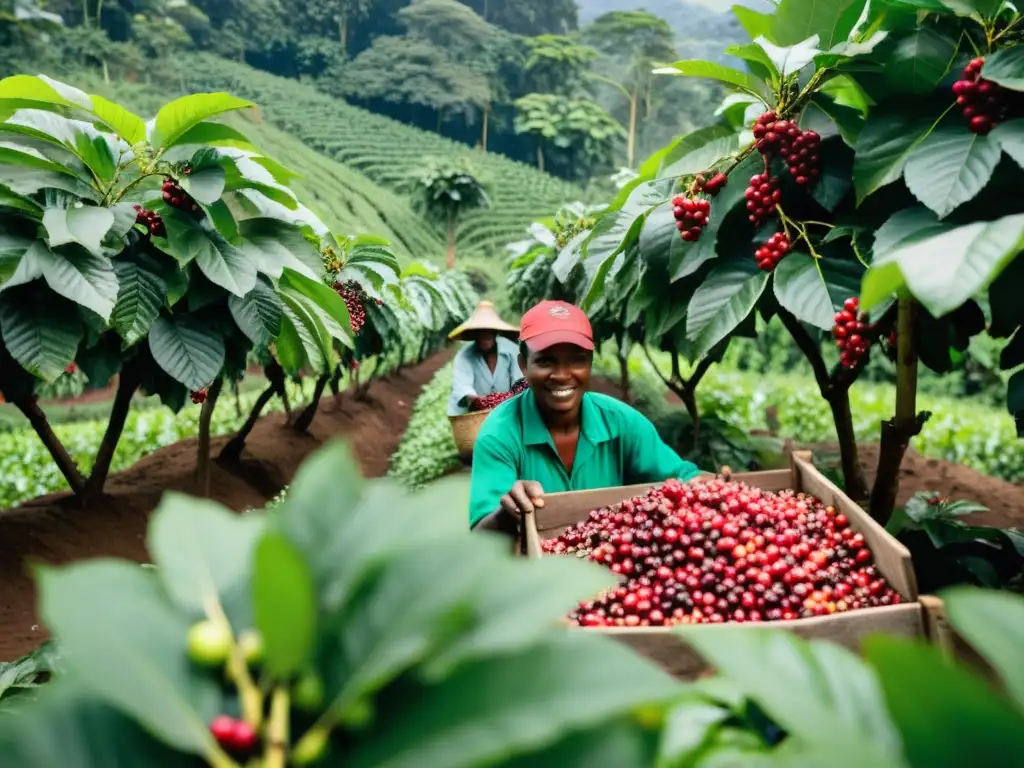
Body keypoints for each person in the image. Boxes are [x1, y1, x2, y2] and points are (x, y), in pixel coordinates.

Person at [469, 300, 702, 533]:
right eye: (545, 360)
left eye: (577, 360)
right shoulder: (499, 434)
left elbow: (683, 478)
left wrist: (706, 487)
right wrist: (507, 513)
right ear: (523, 365)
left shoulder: (623, 423)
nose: (562, 375)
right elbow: (481, 533)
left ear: (590, 362)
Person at [446, 301, 523, 417]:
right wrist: (481, 403)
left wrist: (503, 401)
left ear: (496, 331)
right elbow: (463, 387)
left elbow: (519, 383)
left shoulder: (512, 351)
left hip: (508, 410)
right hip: (474, 415)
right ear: (474, 333)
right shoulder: (464, 356)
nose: (485, 335)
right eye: (481, 331)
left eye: (490, 330)